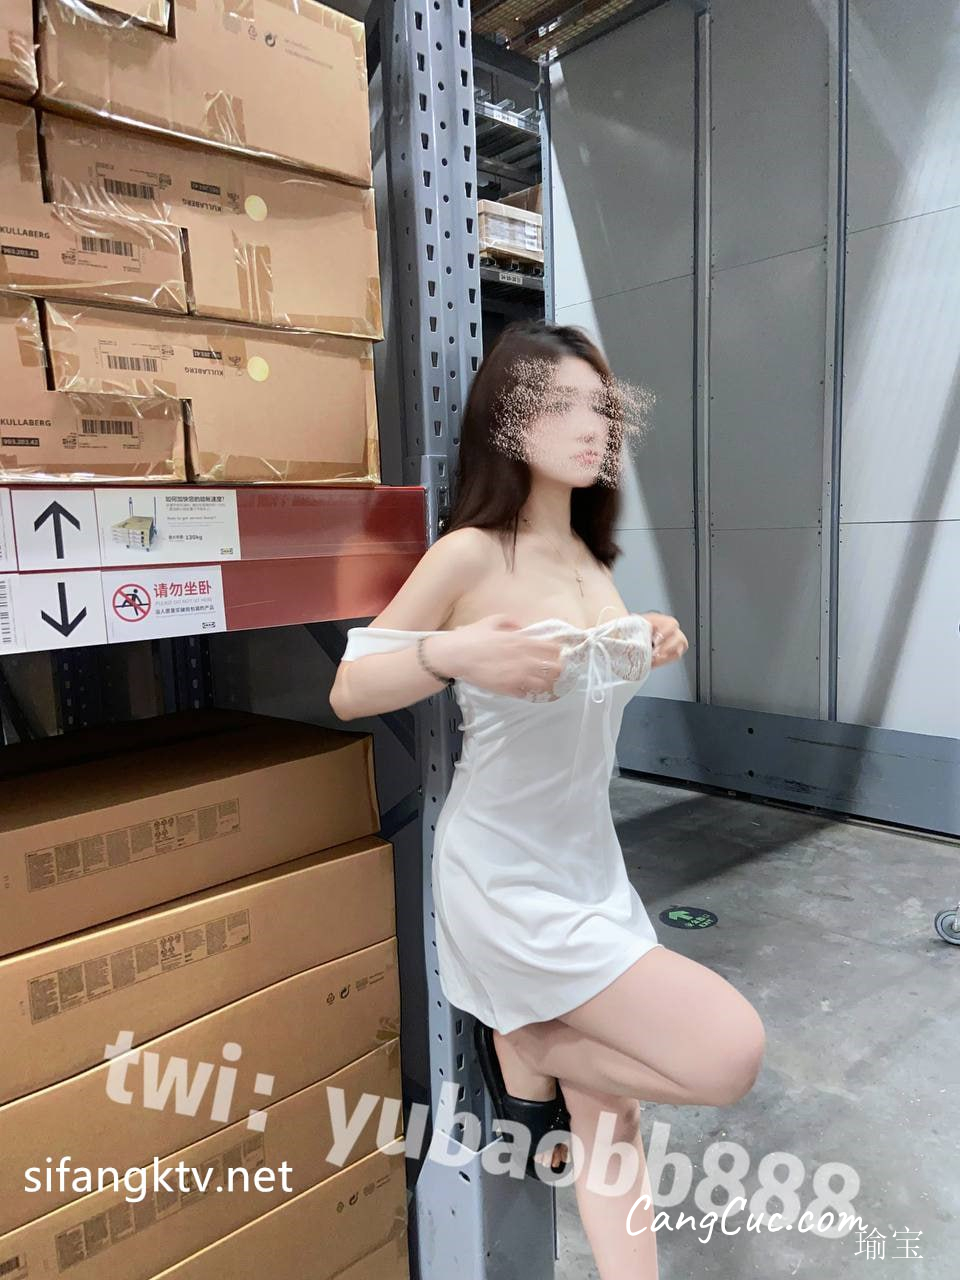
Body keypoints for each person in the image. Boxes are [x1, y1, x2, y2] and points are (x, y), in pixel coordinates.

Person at [331, 320, 766, 1278]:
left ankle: (538, 1055)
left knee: (616, 1116)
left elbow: (577, 694)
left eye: (601, 408)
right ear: (508, 422)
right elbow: (350, 687)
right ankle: (526, 1039)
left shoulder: (592, 561)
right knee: (727, 1054)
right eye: (560, 406)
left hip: (589, 866)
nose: (590, 426)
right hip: (504, 875)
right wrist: (450, 652)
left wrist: (645, 638)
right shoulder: (469, 555)